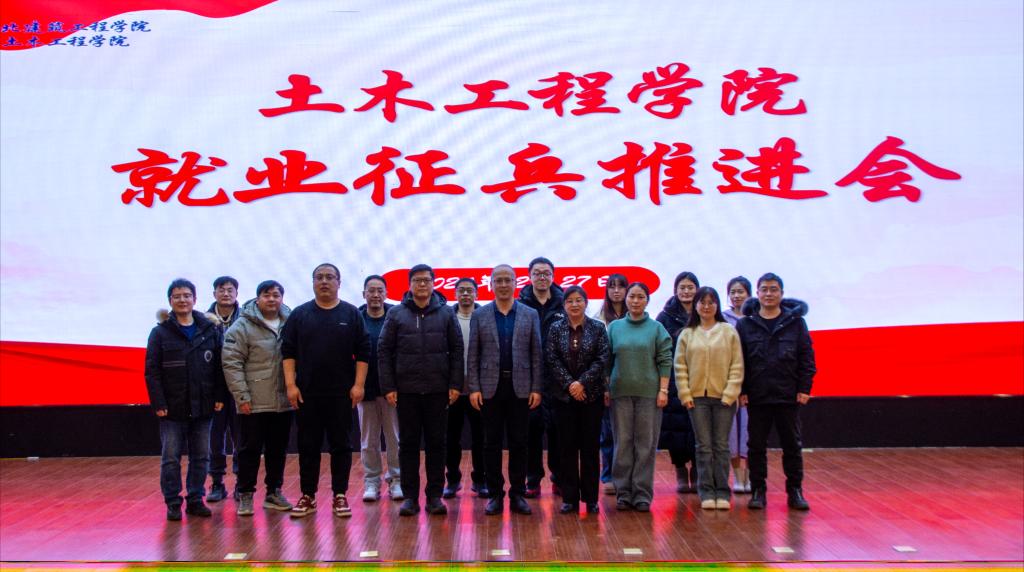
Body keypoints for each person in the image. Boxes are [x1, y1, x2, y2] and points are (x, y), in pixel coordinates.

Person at [282, 263, 371, 519]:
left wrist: (359, 385)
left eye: (329, 277)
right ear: (312, 283)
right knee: (308, 446)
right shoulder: (300, 315)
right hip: (307, 394)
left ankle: (340, 494)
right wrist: (290, 385)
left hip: (341, 395)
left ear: (339, 283)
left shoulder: (351, 314)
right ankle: (308, 495)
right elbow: (288, 352)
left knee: (341, 446)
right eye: (319, 277)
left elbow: (363, 351)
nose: (324, 281)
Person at [378, 264, 464, 517]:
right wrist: (388, 386)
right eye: (417, 280)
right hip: (407, 391)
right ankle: (410, 497)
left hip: (438, 390)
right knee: (408, 445)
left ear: (434, 283)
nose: (422, 284)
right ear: (410, 284)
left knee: (437, 444)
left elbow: (457, 349)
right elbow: (384, 350)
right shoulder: (396, 314)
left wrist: (455, 384)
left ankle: (435, 496)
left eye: (426, 280)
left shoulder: (446, 313)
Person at [144, 278, 225, 521]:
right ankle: (172, 502)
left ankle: (195, 499)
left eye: (187, 295)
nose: (182, 300)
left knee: (201, 456)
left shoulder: (209, 330)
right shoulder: (160, 332)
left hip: (204, 405)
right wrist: (159, 403)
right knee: (171, 458)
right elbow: (152, 371)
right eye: (177, 296)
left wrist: (219, 395)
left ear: (195, 299)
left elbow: (219, 367)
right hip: (172, 408)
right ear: (170, 301)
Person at [467, 265, 543, 516]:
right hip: (490, 389)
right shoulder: (480, 315)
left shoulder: (530, 314)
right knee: (491, 443)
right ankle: (495, 495)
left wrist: (536, 387)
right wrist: (474, 387)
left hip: (521, 388)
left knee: (520, 443)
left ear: (515, 283)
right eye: (497, 280)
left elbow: (536, 353)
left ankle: (518, 494)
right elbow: (473, 354)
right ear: (490, 284)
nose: (502, 284)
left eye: (507, 280)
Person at [736, 273, 816, 511]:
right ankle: (758, 491)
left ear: (781, 293)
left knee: (792, 445)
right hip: (757, 395)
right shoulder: (745, 324)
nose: (768, 294)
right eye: (764, 289)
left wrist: (804, 388)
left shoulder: (796, 323)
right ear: (757, 293)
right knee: (756, 446)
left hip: (787, 395)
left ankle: (795, 491)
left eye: (773, 289)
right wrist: (742, 390)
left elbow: (806, 358)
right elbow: (739, 361)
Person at [222, 280, 294, 516]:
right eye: (266, 295)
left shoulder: (291, 322)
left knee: (277, 450)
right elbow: (232, 363)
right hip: (252, 402)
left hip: (283, 402)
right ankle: (245, 494)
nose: (271, 299)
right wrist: (241, 396)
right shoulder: (242, 326)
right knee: (249, 450)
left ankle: (273, 492)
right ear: (257, 298)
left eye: (276, 295)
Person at [675, 287, 744, 511]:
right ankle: (706, 491)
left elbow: (737, 365)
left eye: (711, 302)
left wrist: (730, 393)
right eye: (702, 302)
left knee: (721, 446)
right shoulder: (687, 333)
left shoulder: (728, 331)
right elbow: (680, 367)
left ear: (717, 305)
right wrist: (685, 394)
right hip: (696, 400)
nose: (706, 306)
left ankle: (722, 491)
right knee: (703, 447)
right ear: (695, 306)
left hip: (724, 399)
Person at [607, 282, 673, 512]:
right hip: (620, 394)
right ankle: (623, 493)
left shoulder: (656, 328)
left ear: (647, 300)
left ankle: (642, 494)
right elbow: (607, 361)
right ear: (626, 299)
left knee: (645, 444)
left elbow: (665, 360)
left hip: (649, 395)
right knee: (623, 443)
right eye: (632, 296)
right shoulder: (614, 328)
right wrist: (606, 388)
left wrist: (663, 390)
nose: (635, 301)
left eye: (640, 297)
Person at [545, 286, 611, 515]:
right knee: (567, 449)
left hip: (591, 397)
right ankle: (569, 498)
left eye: (578, 300)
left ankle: (591, 498)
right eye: (570, 301)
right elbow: (551, 359)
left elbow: (602, 358)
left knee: (590, 449)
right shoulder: (555, 328)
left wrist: (582, 383)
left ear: (586, 303)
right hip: (563, 398)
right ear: (564, 305)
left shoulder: (598, 328)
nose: (574, 304)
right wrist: (570, 384)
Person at [518, 256, 566, 498]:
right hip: (529, 379)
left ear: (553, 276)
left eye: (546, 273)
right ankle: (533, 479)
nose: (542, 277)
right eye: (537, 273)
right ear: (530, 276)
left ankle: (559, 478)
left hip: (558, 379)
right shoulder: (520, 304)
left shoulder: (564, 303)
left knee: (558, 431)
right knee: (531, 432)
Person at [357, 275, 402, 502]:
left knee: (394, 439)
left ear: (386, 293)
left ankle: (396, 480)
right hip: (365, 389)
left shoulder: (396, 316)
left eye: (380, 291)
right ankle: (372, 482)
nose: (375, 295)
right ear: (364, 294)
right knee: (368, 441)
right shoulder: (356, 319)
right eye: (371, 290)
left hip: (391, 390)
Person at [655, 271, 700, 494]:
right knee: (676, 429)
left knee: (698, 428)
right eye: (682, 287)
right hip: (673, 380)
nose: (686, 291)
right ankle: (681, 470)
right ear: (675, 290)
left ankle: (698, 471)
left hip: (699, 379)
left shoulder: (704, 313)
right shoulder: (665, 317)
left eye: (690, 287)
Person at [444, 277, 488, 499]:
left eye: (470, 291)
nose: (465, 294)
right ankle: (452, 480)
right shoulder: (446, 318)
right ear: (455, 294)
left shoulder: (485, 318)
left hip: (478, 389)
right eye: (461, 291)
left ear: (477, 294)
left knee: (481, 438)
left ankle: (480, 480)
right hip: (452, 389)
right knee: (451, 438)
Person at [207, 276, 241, 503]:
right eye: (222, 290)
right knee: (214, 437)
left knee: (242, 437)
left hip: (239, 387)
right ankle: (217, 483)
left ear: (236, 294)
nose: (226, 294)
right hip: (213, 390)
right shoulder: (203, 321)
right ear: (214, 294)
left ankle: (241, 482)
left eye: (230, 290)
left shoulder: (246, 319)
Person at [593, 273, 627, 495]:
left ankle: (626, 476)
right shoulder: (598, 317)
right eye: (611, 286)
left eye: (620, 286)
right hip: (606, 383)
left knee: (627, 434)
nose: (616, 290)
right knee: (607, 433)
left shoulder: (636, 314)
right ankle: (608, 476)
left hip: (629, 381)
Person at [722, 276, 752, 493]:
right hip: (728, 384)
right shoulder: (722, 319)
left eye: (741, 291)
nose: (736, 295)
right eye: (733, 292)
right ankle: (737, 478)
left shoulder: (756, 318)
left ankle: (749, 477)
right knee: (731, 433)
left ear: (749, 294)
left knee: (750, 432)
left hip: (752, 385)